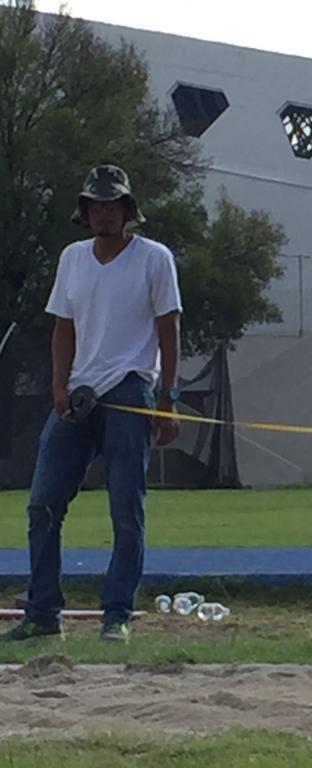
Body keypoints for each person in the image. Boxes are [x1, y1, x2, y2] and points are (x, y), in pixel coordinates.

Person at [1, 165, 182, 644]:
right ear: (85, 213)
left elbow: (169, 328)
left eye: (112, 205)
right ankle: (42, 612)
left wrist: (168, 397)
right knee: (42, 503)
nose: (104, 214)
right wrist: (58, 386)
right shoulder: (72, 259)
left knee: (126, 507)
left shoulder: (154, 258)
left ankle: (116, 613)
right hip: (79, 391)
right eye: (96, 206)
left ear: (127, 211)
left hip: (130, 386)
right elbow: (65, 327)